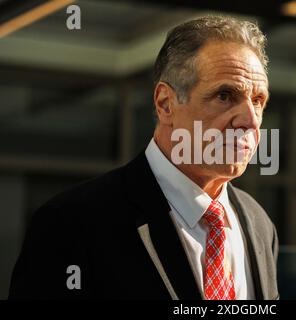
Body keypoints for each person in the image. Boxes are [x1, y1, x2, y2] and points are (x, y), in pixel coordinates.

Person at [9, 15, 279, 300]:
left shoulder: (259, 224)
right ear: (165, 104)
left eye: (258, 101)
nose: (250, 120)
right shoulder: (72, 223)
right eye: (225, 95)